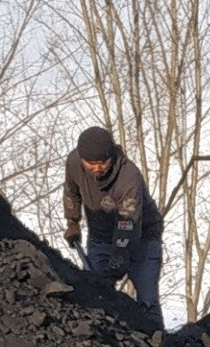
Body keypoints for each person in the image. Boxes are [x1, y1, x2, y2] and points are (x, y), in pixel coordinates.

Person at [63, 125, 165, 330]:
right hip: (100, 235)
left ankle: (158, 341)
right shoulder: (74, 163)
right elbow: (71, 191)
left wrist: (119, 256)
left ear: (111, 157)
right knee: (95, 292)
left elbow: (128, 222)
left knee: (147, 298)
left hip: (142, 238)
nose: (97, 168)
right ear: (82, 159)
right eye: (91, 164)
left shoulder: (128, 177)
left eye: (102, 163)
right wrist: (72, 222)